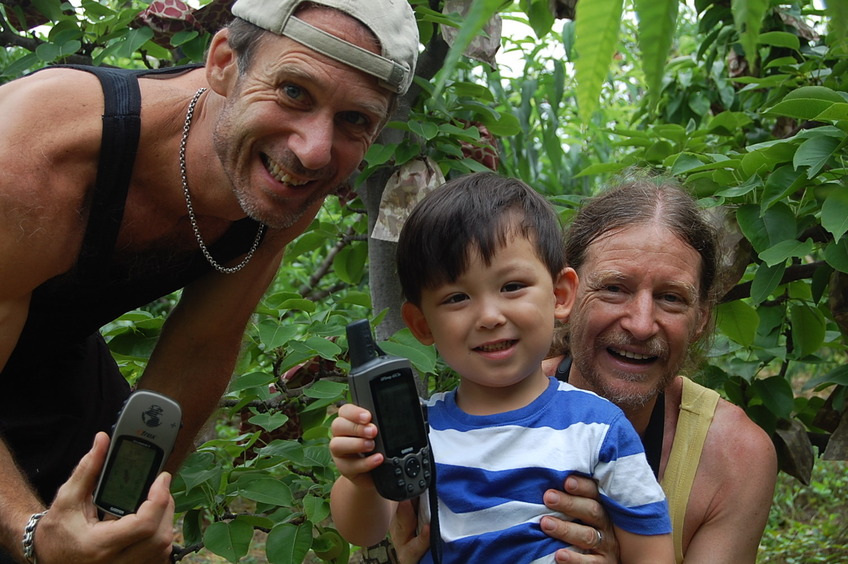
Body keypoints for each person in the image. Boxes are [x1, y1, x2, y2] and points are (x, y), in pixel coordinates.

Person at [0, 0, 419, 562]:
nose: (313, 150)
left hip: (52, 356)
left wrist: (125, 520)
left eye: (355, 120)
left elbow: (200, 347)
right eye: (294, 91)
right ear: (224, 63)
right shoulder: (40, 154)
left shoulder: (283, 187)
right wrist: (30, 532)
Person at [390, 179, 778, 564]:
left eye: (671, 298)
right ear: (567, 297)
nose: (641, 324)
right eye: (614, 288)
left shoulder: (736, 456)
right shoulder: (485, 402)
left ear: (700, 319)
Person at [329, 172, 674, 564]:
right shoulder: (418, 431)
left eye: (511, 287)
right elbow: (364, 530)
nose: (490, 316)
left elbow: (651, 552)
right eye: (457, 297)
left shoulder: (598, 429)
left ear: (560, 295)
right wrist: (361, 477)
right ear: (422, 324)